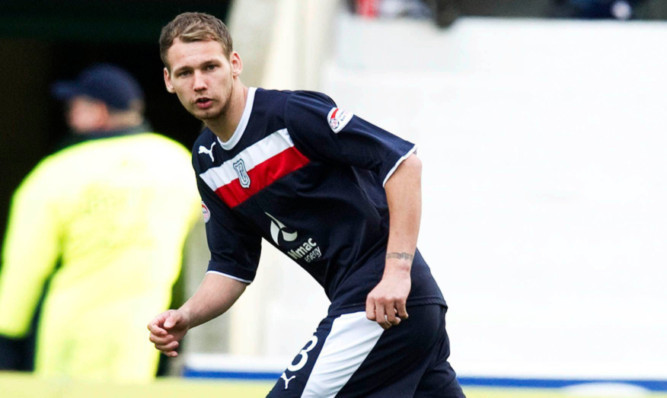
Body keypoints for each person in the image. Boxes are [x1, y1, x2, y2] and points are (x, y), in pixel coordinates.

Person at [148, 12, 465, 397]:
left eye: (210, 66)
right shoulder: (207, 159)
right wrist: (186, 316)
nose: (199, 82)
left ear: (234, 64)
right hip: (389, 307)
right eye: (185, 73)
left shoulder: (291, 114)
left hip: (382, 299)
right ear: (168, 81)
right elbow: (232, 266)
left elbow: (403, 164)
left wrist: (397, 271)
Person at [0, 63, 201, 382]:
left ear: (99, 112)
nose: (68, 115)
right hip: (144, 335)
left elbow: (26, 264)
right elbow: (203, 249)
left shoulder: (57, 171)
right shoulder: (180, 164)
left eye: (74, 106)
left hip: (71, 335)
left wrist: (8, 336)